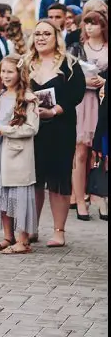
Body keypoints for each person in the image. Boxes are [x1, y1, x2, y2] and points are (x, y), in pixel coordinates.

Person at [26, 20, 86, 248]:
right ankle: (32, 227)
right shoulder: (26, 62)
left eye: (46, 34)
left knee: (58, 180)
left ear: (56, 37)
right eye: (37, 34)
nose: (41, 38)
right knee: (34, 179)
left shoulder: (69, 65)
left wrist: (54, 110)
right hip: (32, 129)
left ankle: (59, 231)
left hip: (60, 128)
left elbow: (76, 93)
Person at [0, 56, 40, 254]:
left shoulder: (27, 98)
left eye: (10, 72)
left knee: (18, 194)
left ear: (19, 74)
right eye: (2, 71)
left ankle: (23, 240)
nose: (5, 76)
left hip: (17, 154)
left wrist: (4, 130)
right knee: (2, 194)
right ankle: (9, 236)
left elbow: (31, 128)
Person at [70, 11, 108, 221]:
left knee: (102, 153)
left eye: (94, 24)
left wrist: (104, 82)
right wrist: (85, 83)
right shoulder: (77, 49)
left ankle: (101, 197)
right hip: (83, 102)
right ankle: (80, 200)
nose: (90, 28)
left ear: (103, 26)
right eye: (87, 24)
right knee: (80, 152)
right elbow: (68, 76)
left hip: (103, 102)